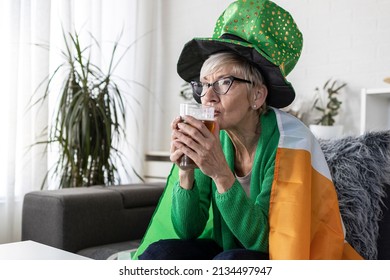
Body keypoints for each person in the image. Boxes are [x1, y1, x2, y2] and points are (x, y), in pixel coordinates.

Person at [134, 0, 362, 260]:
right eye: (203, 85)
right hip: (229, 251)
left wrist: (221, 173)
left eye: (223, 83)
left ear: (257, 95)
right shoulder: (213, 135)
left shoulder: (290, 143)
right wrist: (186, 173)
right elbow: (188, 231)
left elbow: (266, 243)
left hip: (285, 256)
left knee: (228, 261)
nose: (207, 96)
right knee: (159, 253)